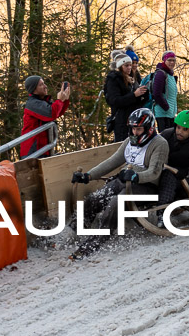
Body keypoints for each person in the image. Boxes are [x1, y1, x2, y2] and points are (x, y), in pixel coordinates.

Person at [70, 108, 168, 258]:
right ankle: (73, 230)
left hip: (147, 186)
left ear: (149, 128)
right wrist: (88, 176)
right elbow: (112, 162)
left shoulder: (160, 144)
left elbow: (154, 172)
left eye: (139, 129)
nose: (135, 133)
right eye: (133, 128)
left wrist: (136, 176)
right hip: (125, 180)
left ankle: (95, 241)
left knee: (117, 202)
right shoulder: (129, 142)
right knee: (96, 197)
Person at [156, 110, 189, 226]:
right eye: (178, 127)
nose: (180, 132)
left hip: (187, 179)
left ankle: (162, 213)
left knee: (169, 176)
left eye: (185, 129)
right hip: (164, 171)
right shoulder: (166, 134)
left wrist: (187, 172)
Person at [20, 75, 70, 158]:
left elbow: (57, 113)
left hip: (42, 150)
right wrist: (60, 100)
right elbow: (51, 114)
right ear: (34, 89)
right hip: (33, 152)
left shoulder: (41, 102)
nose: (45, 86)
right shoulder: (33, 104)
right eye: (41, 85)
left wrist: (65, 100)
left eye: (44, 83)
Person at [104, 51, 148, 142]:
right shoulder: (113, 79)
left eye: (130, 65)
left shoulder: (131, 79)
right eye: (126, 65)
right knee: (122, 146)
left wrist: (144, 94)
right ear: (120, 67)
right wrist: (134, 95)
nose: (129, 68)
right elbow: (115, 101)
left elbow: (136, 101)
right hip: (121, 121)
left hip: (133, 120)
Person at [152, 51, 179, 132]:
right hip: (162, 113)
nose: (172, 62)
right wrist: (166, 107)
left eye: (174, 60)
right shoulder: (161, 74)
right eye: (169, 60)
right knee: (165, 138)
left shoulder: (170, 75)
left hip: (169, 114)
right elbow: (156, 94)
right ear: (164, 60)